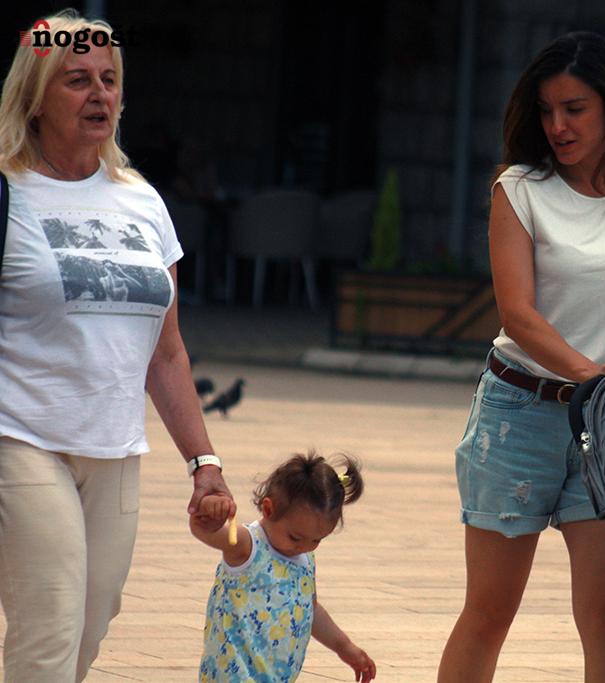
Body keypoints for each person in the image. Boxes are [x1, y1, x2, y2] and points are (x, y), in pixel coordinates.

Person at [437, 31, 605, 683]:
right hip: (518, 415)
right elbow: (518, 315)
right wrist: (591, 375)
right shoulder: (519, 189)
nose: (558, 126)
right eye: (547, 111)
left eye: (575, 109)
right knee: (489, 613)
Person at [0, 10, 235, 682]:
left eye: (109, 79)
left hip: (116, 450)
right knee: (50, 625)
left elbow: (167, 352)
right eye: (77, 80)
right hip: (20, 438)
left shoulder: (142, 202)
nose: (99, 93)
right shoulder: (9, 192)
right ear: (35, 97)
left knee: (90, 626)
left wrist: (204, 462)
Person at [192, 451, 376, 683]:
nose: (304, 547)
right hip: (232, 674)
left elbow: (311, 610)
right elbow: (206, 532)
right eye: (295, 537)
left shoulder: (305, 558)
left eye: (316, 540)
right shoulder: (247, 545)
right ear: (268, 510)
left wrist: (344, 647)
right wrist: (208, 513)